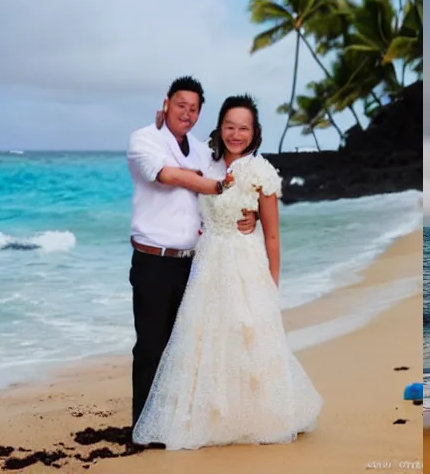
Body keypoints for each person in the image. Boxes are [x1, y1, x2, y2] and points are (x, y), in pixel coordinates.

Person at [132, 95, 322, 449]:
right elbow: (174, 152)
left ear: (255, 132)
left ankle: (252, 415)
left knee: (246, 334)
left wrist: (272, 283)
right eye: (230, 127)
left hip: (245, 263)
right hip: (207, 261)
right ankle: (208, 414)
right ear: (219, 127)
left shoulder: (261, 171)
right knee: (203, 337)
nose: (236, 134)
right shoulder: (207, 161)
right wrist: (161, 117)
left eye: (244, 128)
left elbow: (273, 234)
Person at [126, 77, 257, 432]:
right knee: (151, 345)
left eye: (194, 108)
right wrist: (214, 185)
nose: (187, 113)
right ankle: (143, 428)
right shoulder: (144, 139)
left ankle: (173, 421)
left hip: (195, 262)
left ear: (200, 114)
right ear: (166, 103)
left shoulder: (200, 150)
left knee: (184, 346)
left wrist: (252, 211)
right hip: (153, 259)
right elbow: (167, 175)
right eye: (180, 105)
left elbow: (230, 175)